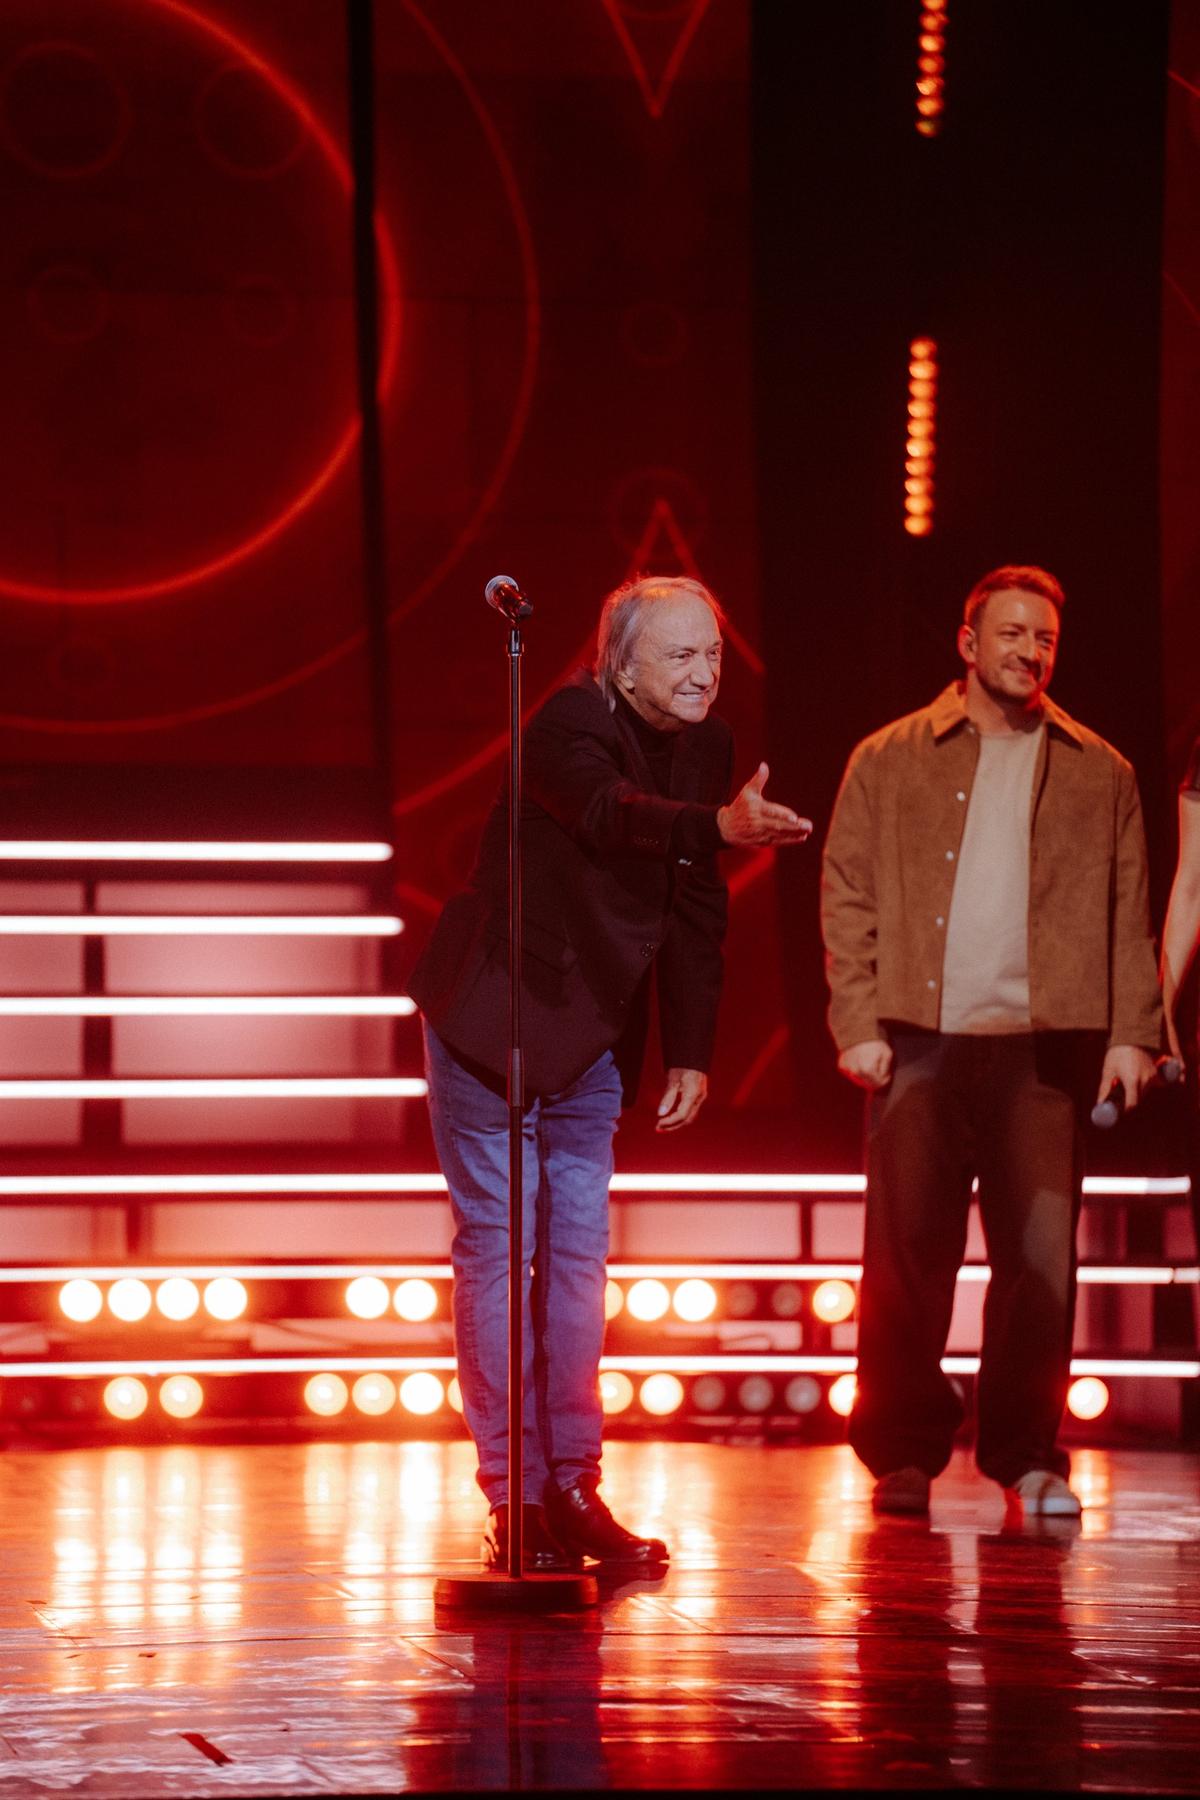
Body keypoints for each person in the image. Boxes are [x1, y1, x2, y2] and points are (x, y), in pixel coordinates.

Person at [409, 574, 812, 1571]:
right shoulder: (566, 723)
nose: (702, 675)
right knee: (503, 1254)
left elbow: (694, 909)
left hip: (592, 1034)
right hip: (494, 1021)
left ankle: (575, 1487)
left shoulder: (711, 750)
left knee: (580, 1261)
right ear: (621, 661)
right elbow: (609, 814)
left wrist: (691, 1046)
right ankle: (516, 1496)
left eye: (713, 655)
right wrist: (715, 825)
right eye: (678, 655)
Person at [821, 564, 1161, 1519]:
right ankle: (901, 1454)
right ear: (968, 644)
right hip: (919, 1042)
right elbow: (846, 892)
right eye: (1012, 634)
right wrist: (856, 1021)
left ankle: (1025, 1455)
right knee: (904, 1262)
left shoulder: (1100, 769)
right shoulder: (889, 757)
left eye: (1045, 638)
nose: (1030, 652)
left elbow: (1127, 911)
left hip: (1043, 1052)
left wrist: (1134, 1035)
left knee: (1042, 1266)